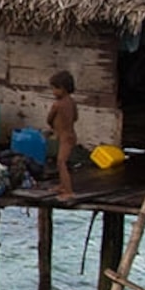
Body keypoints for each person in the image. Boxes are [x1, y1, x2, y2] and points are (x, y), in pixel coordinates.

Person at [45, 69, 81, 199]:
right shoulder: (71, 102)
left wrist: (54, 125)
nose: (53, 92)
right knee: (60, 162)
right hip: (70, 135)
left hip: (66, 137)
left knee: (61, 162)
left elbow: (49, 119)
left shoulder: (57, 105)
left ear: (64, 89)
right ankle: (62, 185)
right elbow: (76, 117)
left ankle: (69, 191)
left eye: (55, 89)